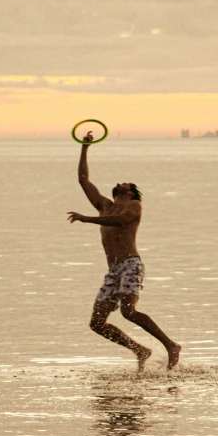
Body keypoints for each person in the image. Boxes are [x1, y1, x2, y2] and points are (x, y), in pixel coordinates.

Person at [67, 143, 181, 371]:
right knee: (97, 323)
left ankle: (171, 345)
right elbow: (83, 180)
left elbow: (119, 222)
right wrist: (84, 148)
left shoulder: (134, 205)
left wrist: (87, 219)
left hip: (131, 265)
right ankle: (139, 350)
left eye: (125, 184)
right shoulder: (104, 206)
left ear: (129, 192)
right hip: (113, 271)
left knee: (128, 311)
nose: (120, 183)